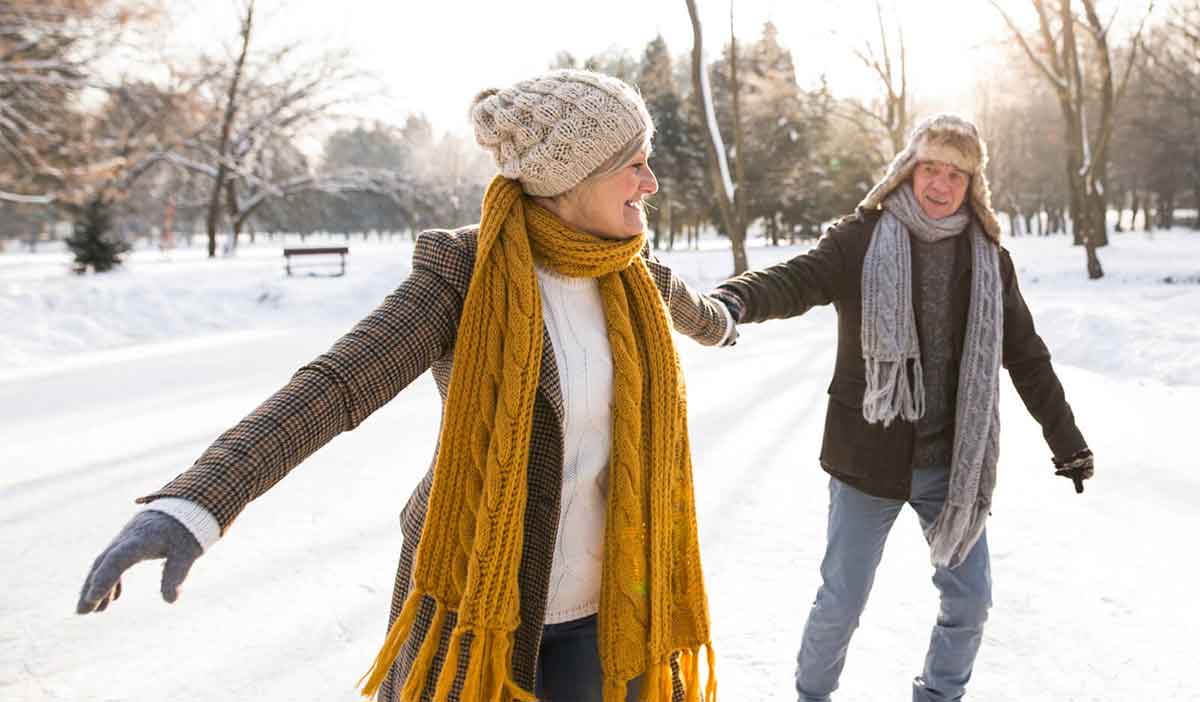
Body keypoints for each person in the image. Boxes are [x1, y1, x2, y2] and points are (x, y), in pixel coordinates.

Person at [76, 69, 734, 702]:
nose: (650, 183)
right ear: (571, 180)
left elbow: (693, 310)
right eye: (635, 164)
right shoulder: (468, 273)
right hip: (479, 594)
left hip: (616, 600)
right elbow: (336, 385)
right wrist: (197, 502)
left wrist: (727, 321)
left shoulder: (633, 270)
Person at [709, 114, 1094, 702]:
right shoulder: (861, 239)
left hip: (952, 469)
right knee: (842, 600)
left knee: (970, 600)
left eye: (956, 175)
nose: (941, 185)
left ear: (973, 185)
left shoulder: (989, 259)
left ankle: (939, 696)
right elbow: (797, 280)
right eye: (930, 170)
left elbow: (1027, 356)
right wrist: (735, 299)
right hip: (868, 459)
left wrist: (1066, 441)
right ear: (908, 171)